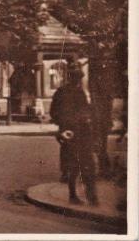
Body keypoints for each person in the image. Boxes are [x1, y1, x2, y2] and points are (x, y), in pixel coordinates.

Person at [49, 62, 98, 206]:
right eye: (77, 78)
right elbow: (55, 112)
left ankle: (85, 196)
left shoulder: (68, 92)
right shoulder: (72, 92)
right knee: (79, 165)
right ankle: (82, 196)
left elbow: (54, 113)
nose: (78, 80)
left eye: (79, 78)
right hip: (73, 132)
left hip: (75, 132)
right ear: (73, 78)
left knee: (78, 165)